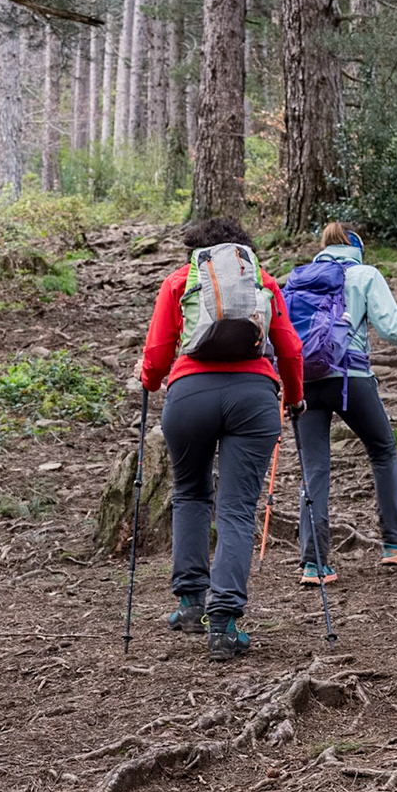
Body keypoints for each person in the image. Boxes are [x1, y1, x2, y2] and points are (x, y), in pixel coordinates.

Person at [137, 216, 304, 662]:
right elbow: (290, 348)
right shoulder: (262, 280)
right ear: (243, 250)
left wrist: (148, 379)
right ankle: (224, 623)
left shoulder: (180, 280)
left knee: (190, 494)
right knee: (236, 508)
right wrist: (295, 397)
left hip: (189, 395)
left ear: (197, 250)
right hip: (254, 398)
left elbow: (157, 353)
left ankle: (192, 604)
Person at [287, 221, 397, 581]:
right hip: (351, 379)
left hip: (305, 381)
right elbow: (392, 329)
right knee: (382, 450)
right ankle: (396, 542)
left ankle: (314, 563)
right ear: (355, 245)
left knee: (313, 468)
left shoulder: (298, 279)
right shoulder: (365, 275)